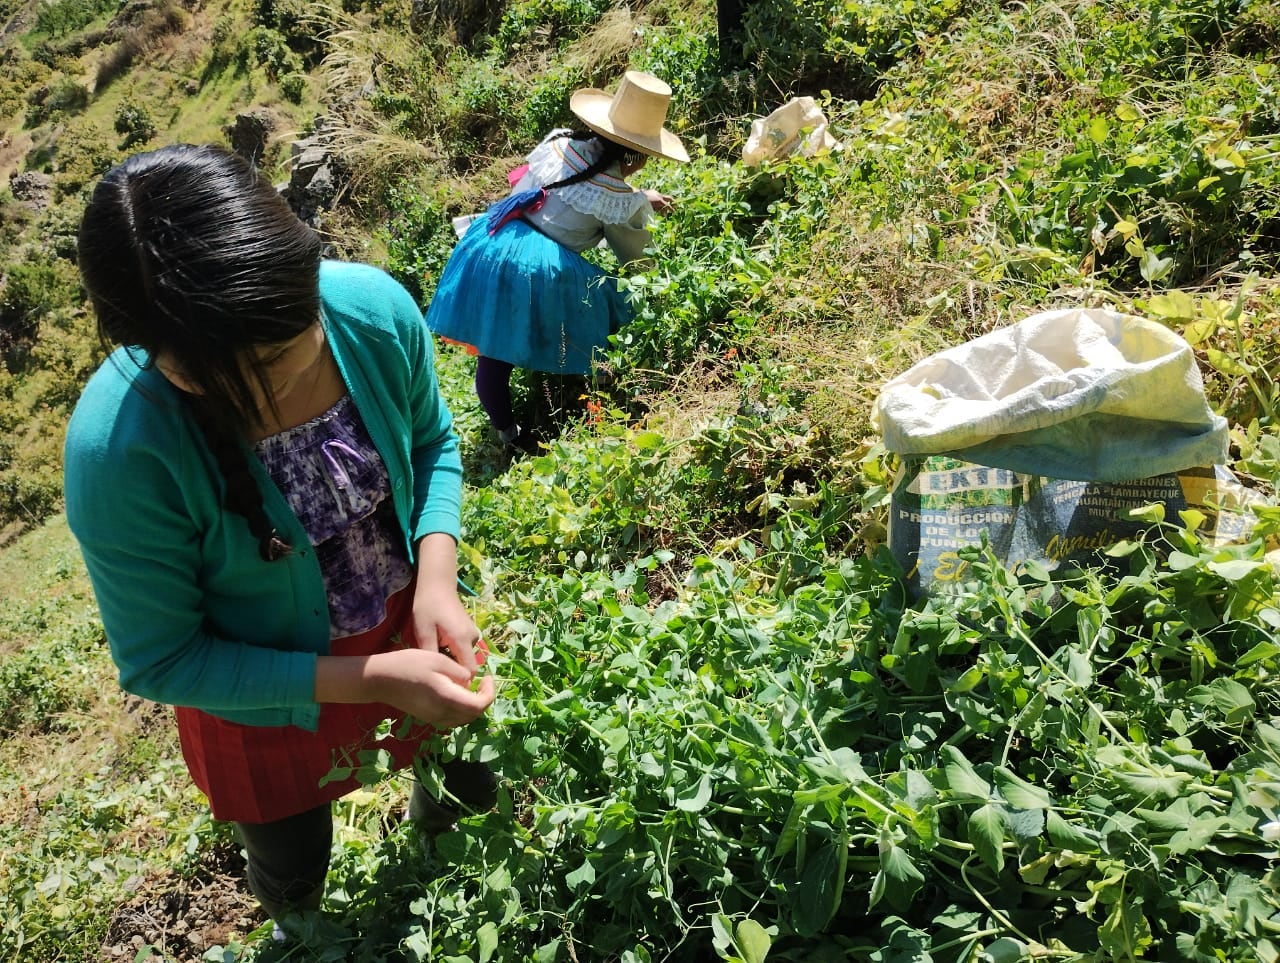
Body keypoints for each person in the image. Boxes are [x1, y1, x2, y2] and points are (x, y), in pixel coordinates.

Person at [63, 143, 497, 939]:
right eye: (231, 380)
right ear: (148, 352)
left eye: (282, 354)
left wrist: (436, 581)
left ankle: (441, 875)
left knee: (464, 781)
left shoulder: (369, 311)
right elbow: (165, 657)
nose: (275, 400)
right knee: (292, 856)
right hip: (262, 695)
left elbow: (434, 441)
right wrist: (367, 678)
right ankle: (304, 932)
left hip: (409, 633)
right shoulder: (120, 452)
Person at [426, 70, 690, 453]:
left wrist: (635, 197)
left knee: (494, 352)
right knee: (608, 301)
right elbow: (638, 261)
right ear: (635, 156)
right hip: (535, 266)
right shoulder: (617, 196)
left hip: (494, 239)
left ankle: (508, 435)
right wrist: (639, 206)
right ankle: (598, 379)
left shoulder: (558, 144)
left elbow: (547, 190)